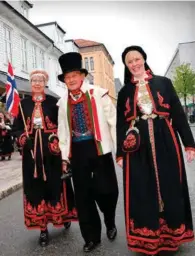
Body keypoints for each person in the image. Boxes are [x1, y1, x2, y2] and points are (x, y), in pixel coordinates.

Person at [116, 45, 195, 256]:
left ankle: (171, 234)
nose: (134, 64)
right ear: (126, 65)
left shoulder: (164, 83)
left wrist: (189, 144)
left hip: (165, 140)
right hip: (137, 146)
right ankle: (147, 236)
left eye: (137, 59)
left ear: (144, 59)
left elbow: (178, 114)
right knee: (143, 187)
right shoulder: (124, 91)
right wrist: (120, 153)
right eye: (129, 61)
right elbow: (121, 125)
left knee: (170, 184)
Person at [57, 52, 118, 253]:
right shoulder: (62, 102)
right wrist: (65, 158)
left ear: (82, 76)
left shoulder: (98, 93)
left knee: (107, 191)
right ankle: (91, 237)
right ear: (64, 80)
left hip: (100, 149)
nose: (71, 79)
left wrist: (120, 152)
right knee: (83, 197)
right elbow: (63, 132)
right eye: (67, 77)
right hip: (78, 151)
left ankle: (109, 221)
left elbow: (113, 123)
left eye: (74, 75)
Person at [13, 69, 77, 247]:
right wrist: (23, 137)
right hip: (31, 155)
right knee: (36, 187)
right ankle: (42, 228)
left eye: (40, 81)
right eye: (34, 81)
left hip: (52, 154)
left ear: (45, 83)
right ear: (30, 83)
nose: (37, 84)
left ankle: (62, 216)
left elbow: (63, 126)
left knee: (56, 185)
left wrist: (56, 140)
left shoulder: (53, 102)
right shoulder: (23, 104)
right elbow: (16, 128)